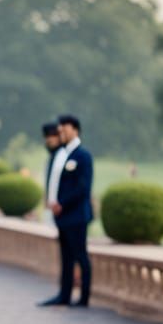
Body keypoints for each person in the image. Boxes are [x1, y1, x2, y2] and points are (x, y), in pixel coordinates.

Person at [40, 114, 94, 308]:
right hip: (62, 215)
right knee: (66, 257)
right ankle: (64, 294)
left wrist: (61, 203)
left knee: (80, 255)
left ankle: (84, 297)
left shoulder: (83, 155)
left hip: (77, 214)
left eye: (64, 128)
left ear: (75, 129)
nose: (60, 132)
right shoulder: (61, 154)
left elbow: (83, 187)